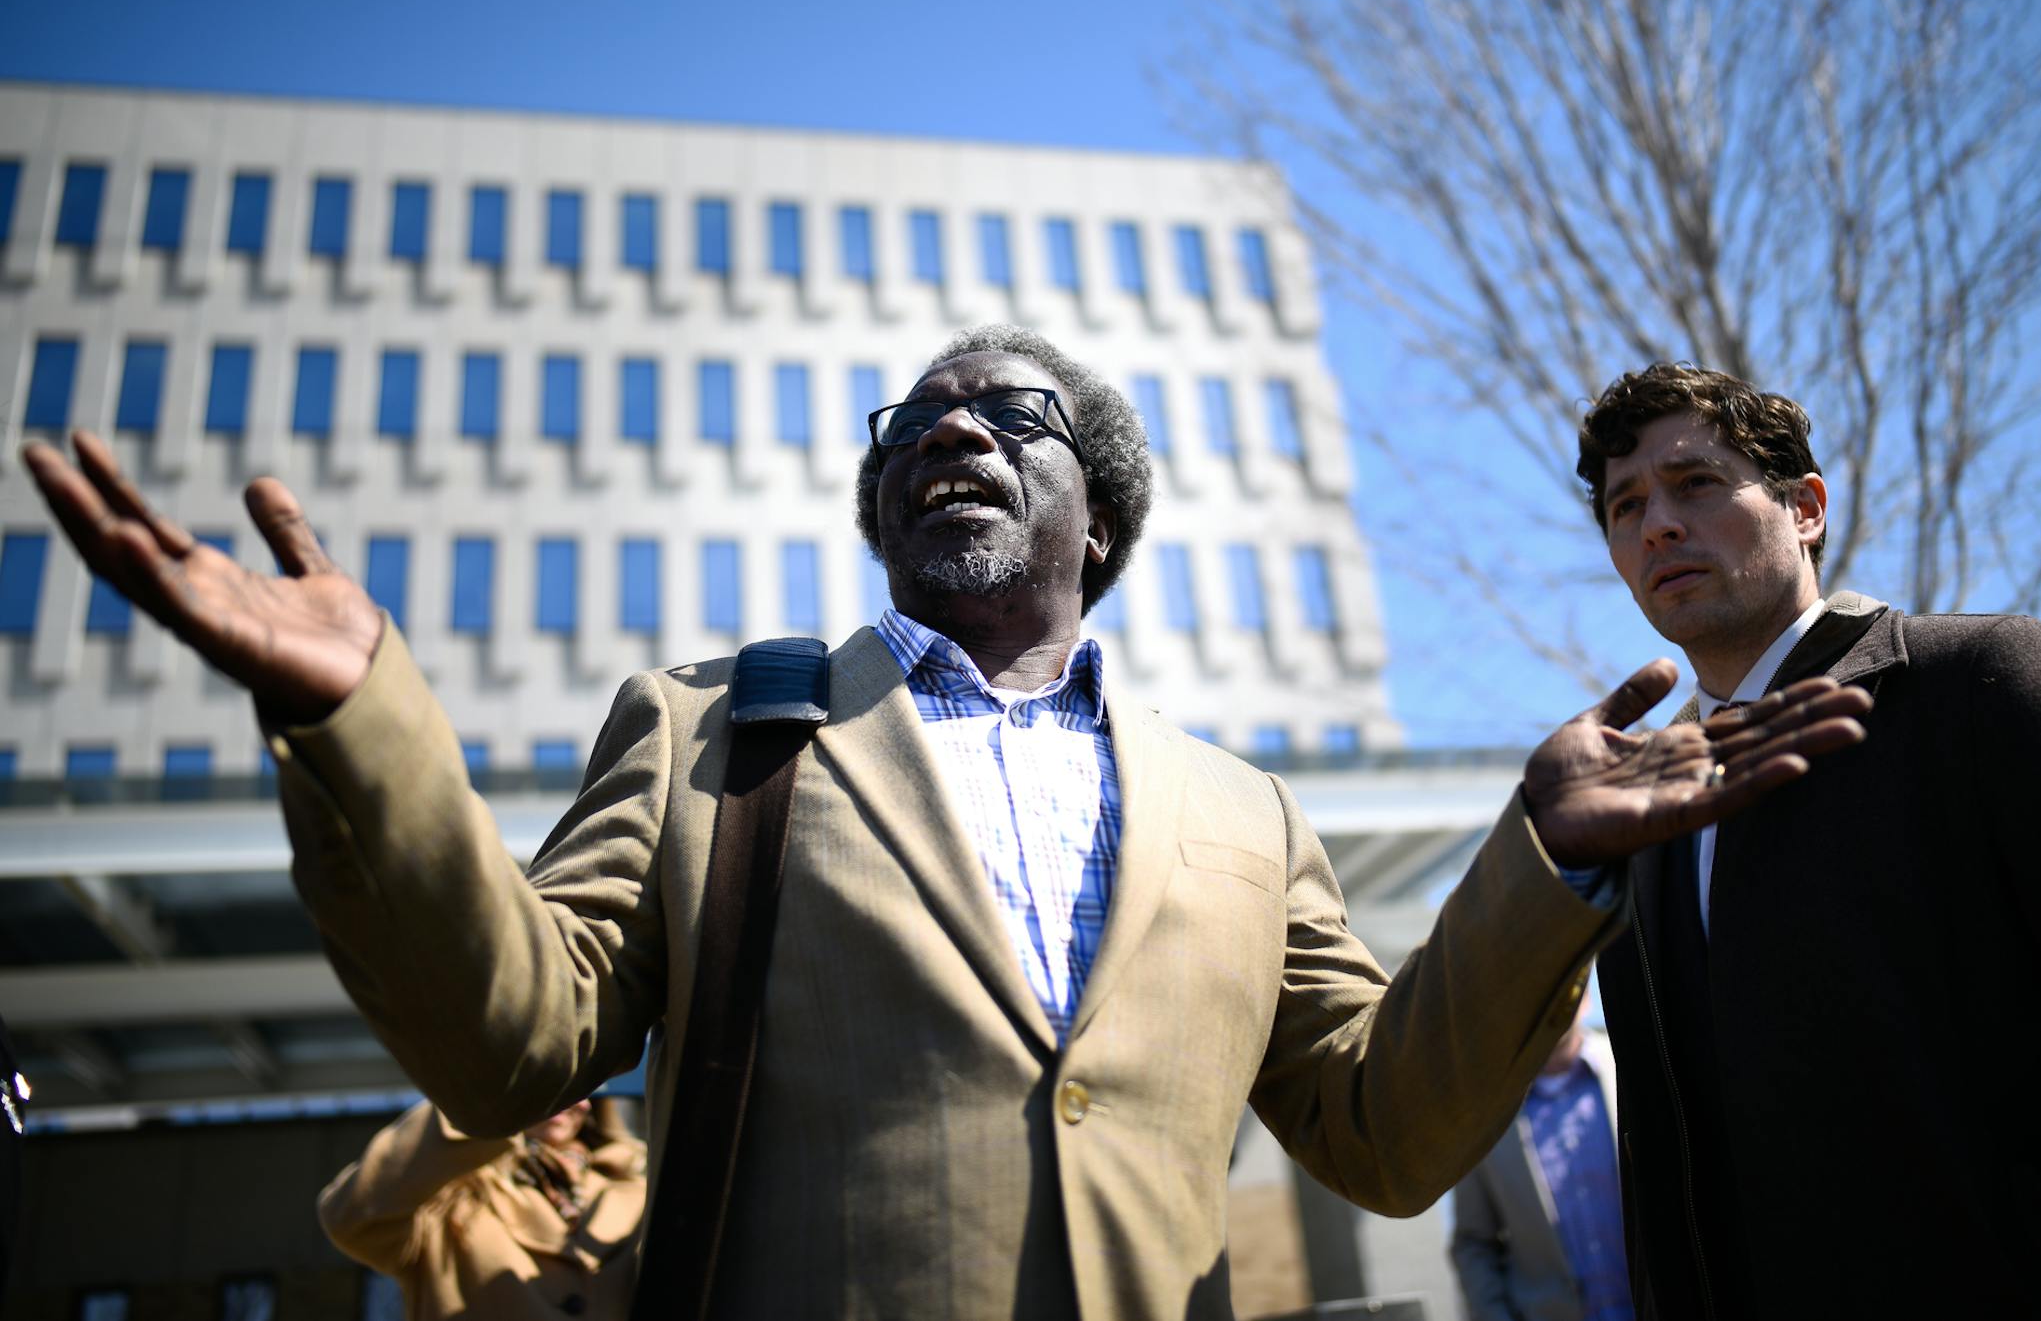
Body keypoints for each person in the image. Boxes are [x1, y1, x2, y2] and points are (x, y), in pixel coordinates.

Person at [22, 325, 1867, 1318]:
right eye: (920, 414)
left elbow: (1381, 1134)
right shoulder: (710, 733)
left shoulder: (1241, 808)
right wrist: (359, 725)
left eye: (1016, 412)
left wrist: (1539, 859)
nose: (955, 427)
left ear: (1103, 518)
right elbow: (513, 1040)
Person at [1577, 364, 2041, 1319]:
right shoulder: (1645, 822)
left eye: (1697, 484)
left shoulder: (1985, 683)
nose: (1658, 526)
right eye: (1625, 506)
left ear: (1805, 507)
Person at [320, 1096, 647, 1319]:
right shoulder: (447, 1198)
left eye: (578, 1082)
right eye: (549, 1079)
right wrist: (486, 1098)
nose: (562, 1096)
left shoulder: (641, 1191)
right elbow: (352, 1217)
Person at [1449, 1004, 1629, 1321]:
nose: (1550, 994)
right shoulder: (1484, 1113)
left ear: (1585, 991)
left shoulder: (1634, 1067)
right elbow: (1474, 1242)